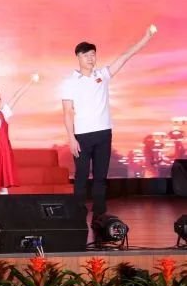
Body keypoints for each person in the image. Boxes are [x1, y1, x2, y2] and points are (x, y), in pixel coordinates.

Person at [61, 26, 156, 219]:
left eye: (93, 55)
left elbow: (125, 56)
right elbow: (68, 111)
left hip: (104, 133)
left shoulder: (102, 75)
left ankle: (99, 214)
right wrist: (71, 138)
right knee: (81, 176)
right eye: (86, 55)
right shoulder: (70, 82)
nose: (90, 58)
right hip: (82, 135)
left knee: (100, 177)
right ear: (78, 57)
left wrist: (146, 38)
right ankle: (77, 215)